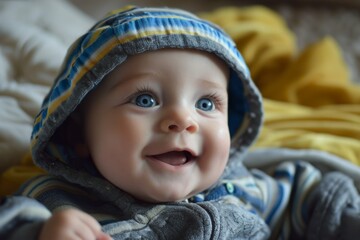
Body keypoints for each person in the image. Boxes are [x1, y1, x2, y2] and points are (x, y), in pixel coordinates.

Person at [1, 5, 360, 240]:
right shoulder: (59, 200)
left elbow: (312, 199)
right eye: (145, 100)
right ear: (77, 132)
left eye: (206, 103)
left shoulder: (243, 189)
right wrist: (41, 230)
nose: (182, 120)